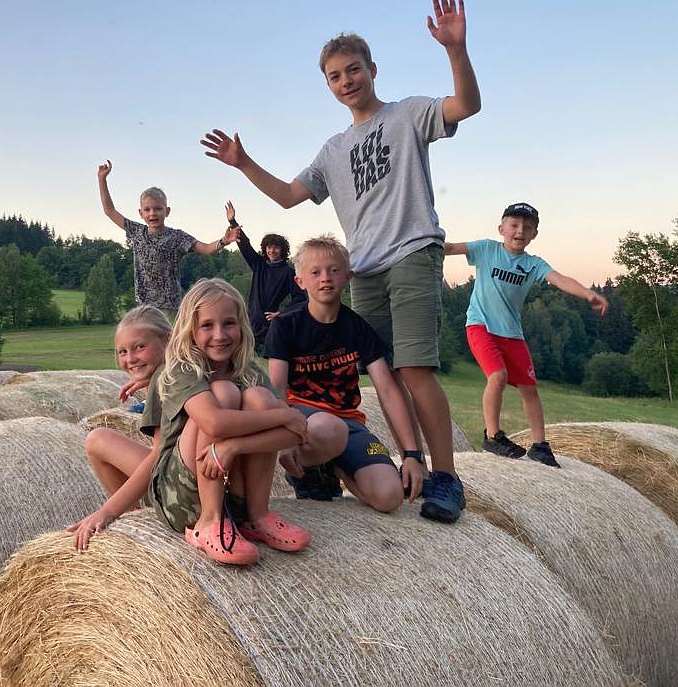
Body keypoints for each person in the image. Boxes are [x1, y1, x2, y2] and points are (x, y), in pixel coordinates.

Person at [201, 0, 480, 523]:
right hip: (365, 268)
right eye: (335, 76)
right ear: (327, 85)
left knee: (414, 367)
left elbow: (466, 105)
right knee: (381, 373)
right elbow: (289, 195)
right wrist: (243, 162)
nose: (346, 80)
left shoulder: (407, 114)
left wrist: (455, 50)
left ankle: (445, 475)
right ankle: (376, 463)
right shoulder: (333, 150)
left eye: (354, 69)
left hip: (412, 250)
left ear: (373, 69)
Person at [149, 278, 311, 566]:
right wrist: (285, 414)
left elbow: (295, 434)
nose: (220, 335)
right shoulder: (180, 369)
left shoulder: (249, 370)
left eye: (229, 324)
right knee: (224, 393)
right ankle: (209, 522)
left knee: (260, 398)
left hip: (234, 497)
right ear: (190, 330)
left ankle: (257, 516)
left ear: (241, 326)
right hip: (182, 498)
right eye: (207, 325)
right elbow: (214, 424)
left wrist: (233, 446)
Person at [444, 203, 609, 467]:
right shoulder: (486, 249)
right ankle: (492, 436)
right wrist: (426, 244)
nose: (520, 231)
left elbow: (560, 279)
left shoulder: (533, 264)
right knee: (498, 376)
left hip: (512, 333)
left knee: (529, 389)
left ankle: (540, 445)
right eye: (514, 225)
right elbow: (451, 248)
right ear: (502, 229)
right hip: (480, 326)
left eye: (527, 227)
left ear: (534, 234)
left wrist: (588, 294)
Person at [266, 236, 424, 511]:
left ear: (348, 277)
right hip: (302, 419)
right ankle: (307, 469)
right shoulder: (286, 326)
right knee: (330, 428)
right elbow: (277, 388)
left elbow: (387, 390)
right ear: (300, 281)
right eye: (315, 272)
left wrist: (412, 454)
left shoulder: (357, 328)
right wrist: (283, 434)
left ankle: (333, 467)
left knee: (390, 496)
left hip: (349, 422)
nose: (325, 278)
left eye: (334, 270)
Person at [67, 305, 171, 550]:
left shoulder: (163, 383)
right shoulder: (178, 372)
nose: (130, 358)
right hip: (196, 481)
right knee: (97, 439)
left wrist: (108, 511)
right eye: (123, 351)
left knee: (96, 440)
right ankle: (134, 514)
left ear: (167, 340)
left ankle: (132, 515)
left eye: (139, 347)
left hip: (179, 489)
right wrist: (149, 380)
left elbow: (159, 457)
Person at [96, 160, 240, 313]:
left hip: (171, 308)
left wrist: (224, 241)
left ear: (167, 211)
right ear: (141, 213)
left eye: (158, 208)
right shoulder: (137, 232)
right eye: (147, 209)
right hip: (144, 308)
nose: (152, 213)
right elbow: (109, 211)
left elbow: (206, 249)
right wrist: (102, 179)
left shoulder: (177, 237)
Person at [224, 201, 306, 352]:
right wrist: (232, 221)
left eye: (276, 247)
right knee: (241, 358)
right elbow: (245, 245)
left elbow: (301, 299)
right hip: (250, 322)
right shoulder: (259, 264)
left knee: (274, 359)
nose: (272, 251)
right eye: (269, 247)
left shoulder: (288, 272)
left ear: (282, 250)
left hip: (271, 325)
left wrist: (281, 314)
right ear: (265, 249)